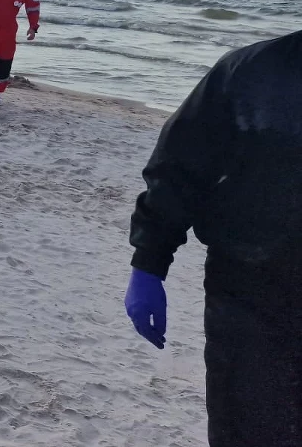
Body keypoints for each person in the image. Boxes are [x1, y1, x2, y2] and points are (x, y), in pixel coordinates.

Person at [125, 31, 302, 445]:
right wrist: (148, 263)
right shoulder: (248, 72)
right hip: (250, 295)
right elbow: (178, 168)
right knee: (247, 428)